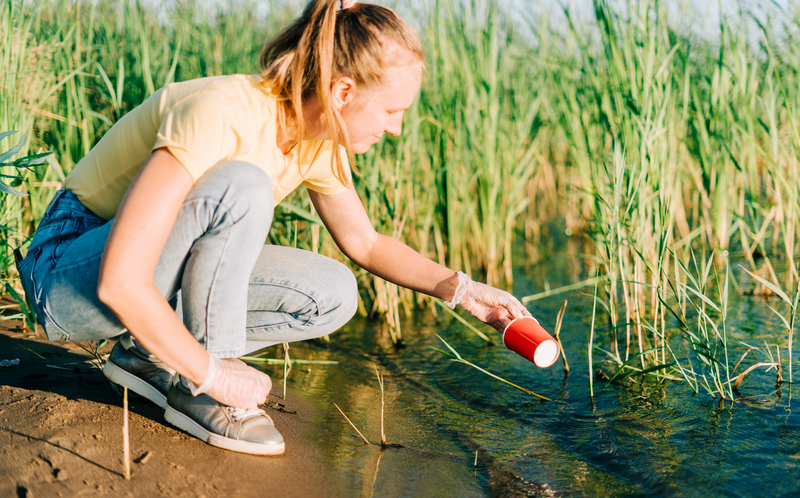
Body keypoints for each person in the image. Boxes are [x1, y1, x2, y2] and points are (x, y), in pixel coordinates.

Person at [17, 0, 531, 456]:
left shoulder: (318, 142)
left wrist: (465, 293)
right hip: (66, 276)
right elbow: (119, 281)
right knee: (244, 185)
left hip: (135, 274)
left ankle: (147, 357)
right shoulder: (222, 112)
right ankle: (200, 390)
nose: (396, 128)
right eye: (393, 110)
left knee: (333, 293)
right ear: (344, 91)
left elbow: (366, 243)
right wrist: (213, 372)